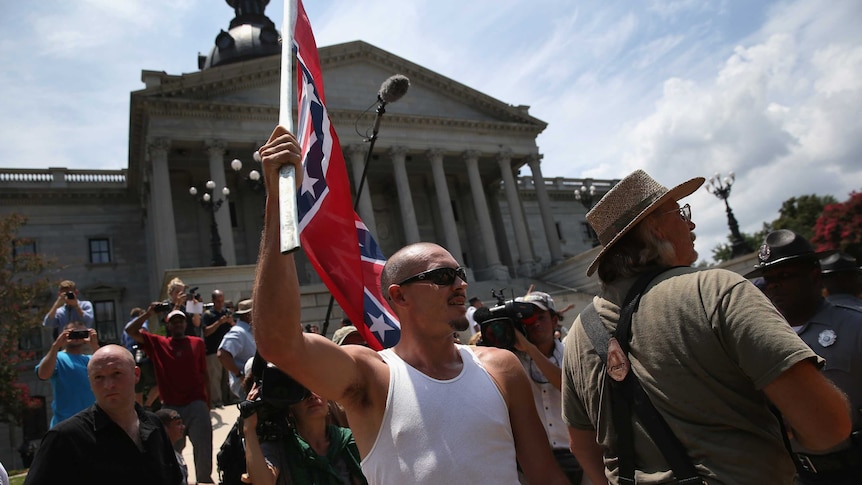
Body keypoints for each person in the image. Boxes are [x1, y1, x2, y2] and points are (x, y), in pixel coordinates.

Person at [252, 125, 568, 484]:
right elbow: (279, 342)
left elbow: (544, 474)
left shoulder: (502, 367)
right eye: (443, 276)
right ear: (399, 296)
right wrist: (278, 206)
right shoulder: (371, 376)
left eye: (460, 273)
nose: (461, 284)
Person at [560, 169, 851, 485]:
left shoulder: (578, 333)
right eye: (681, 212)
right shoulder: (716, 290)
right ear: (655, 228)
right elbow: (828, 426)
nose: (691, 223)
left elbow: (582, 446)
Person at [745, 229, 862, 484]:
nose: (774, 285)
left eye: (784, 276)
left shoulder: (854, 325)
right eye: (768, 278)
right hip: (800, 474)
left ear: (815, 275)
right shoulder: (760, 338)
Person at [24, 345, 183, 485]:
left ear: (136, 374)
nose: (109, 385)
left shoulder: (153, 425)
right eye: (99, 377)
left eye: (116, 373)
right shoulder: (65, 438)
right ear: (90, 381)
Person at [126, 305, 213, 484]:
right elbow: (130, 330)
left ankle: (204, 481)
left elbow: (205, 374)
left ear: (186, 323)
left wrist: (208, 402)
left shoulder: (197, 343)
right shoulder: (158, 344)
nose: (178, 324)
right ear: (168, 326)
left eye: (181, 320)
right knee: (171, 454)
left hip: (196, 403)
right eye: (174, 322)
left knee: (204, 450)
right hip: (171, 407)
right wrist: (149, 313)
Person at [513, 291, 585, 484]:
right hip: (535, 462)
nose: (535, 323)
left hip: (579, 456)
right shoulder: (511, 361)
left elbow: (568, 388)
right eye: (528, 319)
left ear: (554, 321)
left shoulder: (572, 352)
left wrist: (531, 350)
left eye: (541, 317)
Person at [243, 382, 367, 485]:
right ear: (290, 410)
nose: (312, 396)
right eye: (301, 392)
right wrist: (249, 428)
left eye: (317, 388)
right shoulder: (281, 448)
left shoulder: (348, 440)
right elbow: (263, 482)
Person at [35, 322, 98, 427]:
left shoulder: (91, 359)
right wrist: (56, 346)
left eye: (80, 333)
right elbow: (43, 374)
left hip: (92, 423)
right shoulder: (57, 358)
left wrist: (95, 346)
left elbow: (108, 368)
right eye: (72, 333)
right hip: (65, 425)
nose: (76, 337)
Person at [218, 299, 256, 401]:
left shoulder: (249, 331)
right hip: (246, 386)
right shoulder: (238, 332)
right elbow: (222, 354)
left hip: (253, 385)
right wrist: (240, 375)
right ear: (247, 315)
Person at [202, 289, 233, 407]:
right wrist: (219, 323)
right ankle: (217, 401)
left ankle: (229, 399)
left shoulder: (227, 313)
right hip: (213, 351)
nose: (220, 303)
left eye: (222, 301)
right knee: (215, 378)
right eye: (218, 301)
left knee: (228, 377)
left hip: (228, 351)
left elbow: (235, 328)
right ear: (213, 301)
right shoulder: (208, 315)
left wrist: (231, 322)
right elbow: (206, 332)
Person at [156, 408, 189, 485]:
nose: (183, 427)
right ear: (164, 429)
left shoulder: (176, 454)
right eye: (178, 424)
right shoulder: (160, 457)